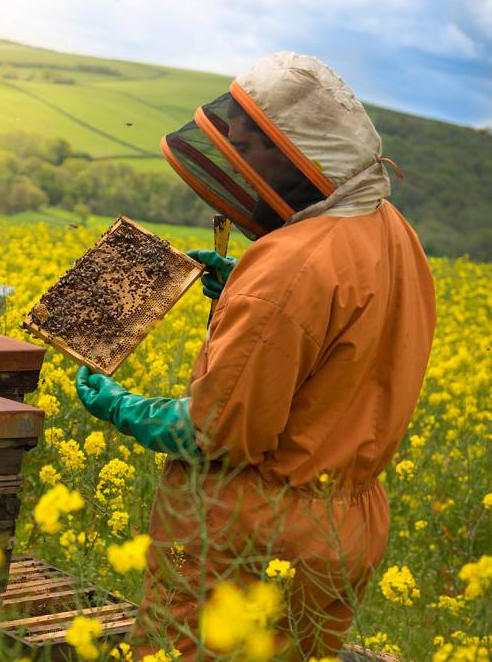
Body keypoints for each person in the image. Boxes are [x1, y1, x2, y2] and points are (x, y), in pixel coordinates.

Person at [75, 52, 436, 660]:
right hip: (340, 531)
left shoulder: (292, 264)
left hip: (250, 539)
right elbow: (337, 349)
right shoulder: (392, 232)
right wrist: (245, 293)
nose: (238, 162)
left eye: (250, 146)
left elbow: (219, 432)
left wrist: (122, 408)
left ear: (295, 156)